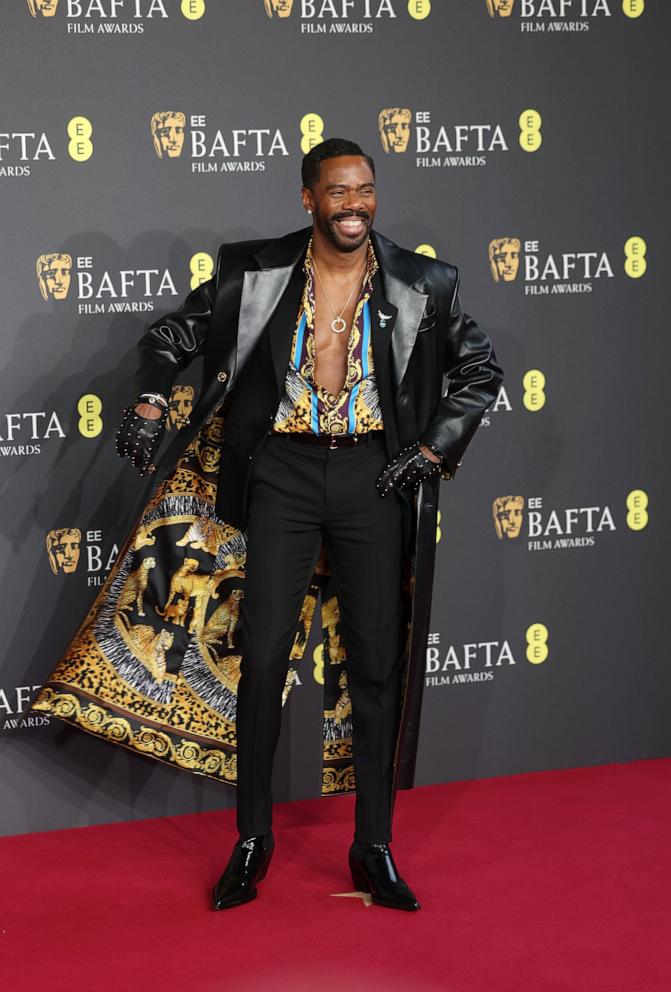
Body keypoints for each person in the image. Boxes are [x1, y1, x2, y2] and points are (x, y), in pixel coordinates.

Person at [35, 137, 502, 914]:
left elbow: (478, 370)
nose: (355, 204)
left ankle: (373, 845)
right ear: (308, 198)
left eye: (365, 190)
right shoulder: (253, 271)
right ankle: (252, 840)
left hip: (371, 477)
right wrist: (151, 400)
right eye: (337, 191)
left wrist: (429, 450)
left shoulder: (424, 282)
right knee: (260, 656)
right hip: (279, 472)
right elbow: (169, 339)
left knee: (375, 665)